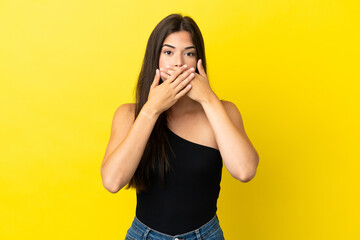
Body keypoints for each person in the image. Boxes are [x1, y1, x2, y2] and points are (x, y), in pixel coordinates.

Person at [100, 13, 259, 240]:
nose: (179, 63)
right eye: (168, 52)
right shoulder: (128, 114)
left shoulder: (223, 111)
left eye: (189, 53)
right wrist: (151, 110)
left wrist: (209, 100)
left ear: (199, 61)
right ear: (155, 58)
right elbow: (112, 181)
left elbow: (245, 171)